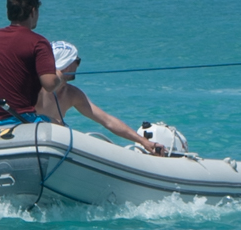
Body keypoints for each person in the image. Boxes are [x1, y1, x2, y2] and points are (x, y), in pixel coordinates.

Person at [33, 41, 170, 153]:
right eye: (77, 61)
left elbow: (107, 120)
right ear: (68, 65)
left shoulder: (73, 94)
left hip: (53, 148)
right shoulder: (36, 88)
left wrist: (143, 141)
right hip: (32, 142)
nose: (78, 65)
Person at [0, 0, 60, 125]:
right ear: (33, 12)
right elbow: (49, 84)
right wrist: (58, 75)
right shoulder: (38, 42)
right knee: (59, 124)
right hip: (18, 118)